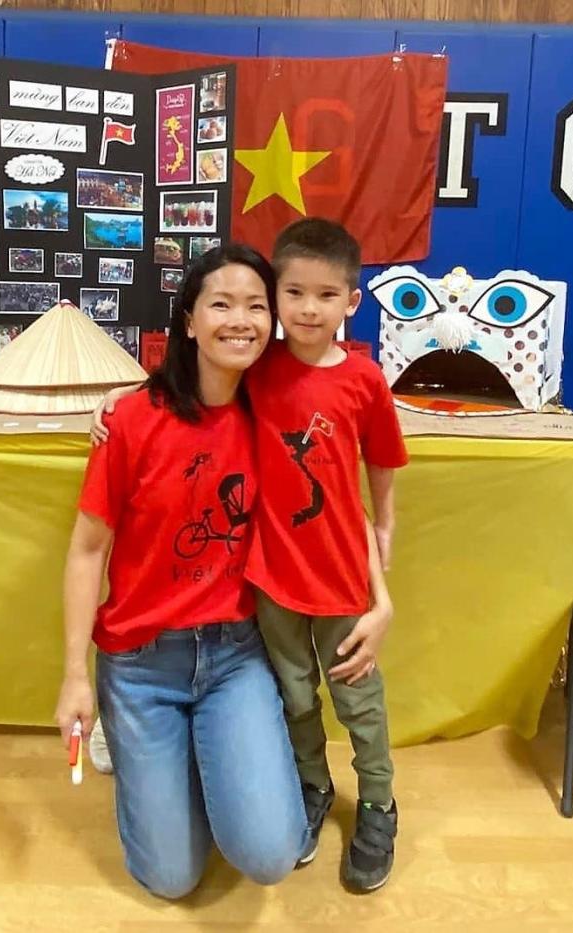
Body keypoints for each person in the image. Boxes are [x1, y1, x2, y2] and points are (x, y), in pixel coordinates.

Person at [92, 219, 408, 893]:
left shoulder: (360, 378)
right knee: (296, 697)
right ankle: (307, 784)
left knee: (359, 703)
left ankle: (378, 802)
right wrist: (119, 398)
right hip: (268, 591)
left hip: (334, 587)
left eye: (326, 295)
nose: (307, 309)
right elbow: (187, 375)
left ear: (353, 299)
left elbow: (366, 475)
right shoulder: (259, 369)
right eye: (292, 292)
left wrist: (384, 549)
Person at [55, 243, 308, 900]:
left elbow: (346, 380)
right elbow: (86, 551)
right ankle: (147, 744)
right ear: (189, 321)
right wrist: (74, 676)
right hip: (141, 665)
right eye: (220, 303)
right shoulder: (132, 418)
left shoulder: (278, 413)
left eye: (257, 305)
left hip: (234, 656)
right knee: (170, 877)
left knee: (271, 855)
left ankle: (210, 747)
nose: (240, 319)